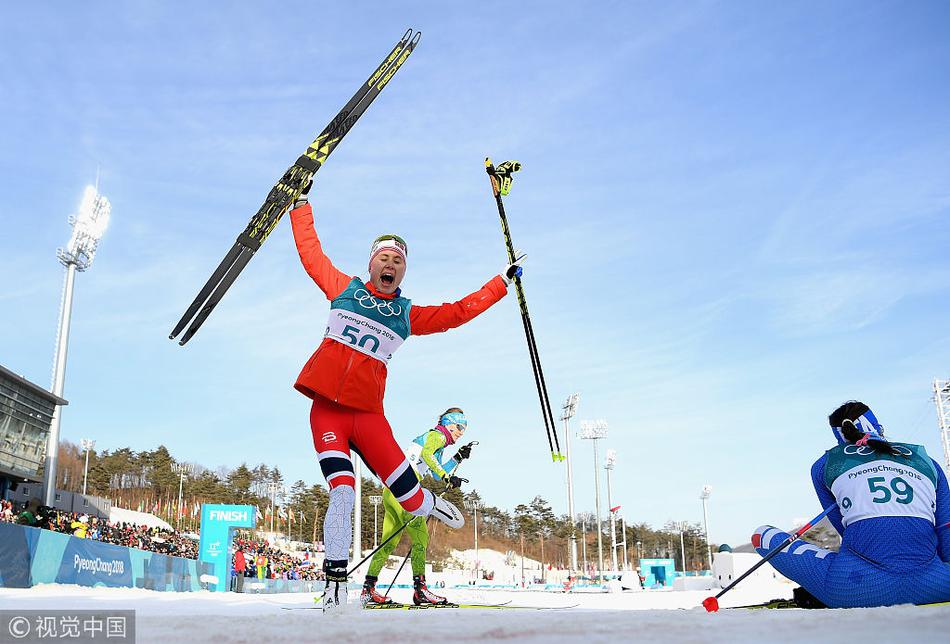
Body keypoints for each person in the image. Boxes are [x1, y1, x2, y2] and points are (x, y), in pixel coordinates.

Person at [288, 182, 522, 612]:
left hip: (368, 418)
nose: (391, 264)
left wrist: (500, 284)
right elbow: (311, 254)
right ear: (372, 264)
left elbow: (455, 313)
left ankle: (430, 503)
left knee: (411, 501)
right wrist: (300, 205)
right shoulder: (345, 289)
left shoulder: (407, 314)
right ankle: (335, 586)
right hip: (327, 413)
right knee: (343, 491)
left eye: (398, 260)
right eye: (384, 258)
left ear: (403, 271)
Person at [751, 401, 950, 607]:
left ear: (840, 436)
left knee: (762, 535)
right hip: (937, 585)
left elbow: (844, 527)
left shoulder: (825, 464)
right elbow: (946, 526)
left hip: (856, 588)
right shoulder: (927, 461)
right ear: (879, 427)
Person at [361, 408, 474, 607]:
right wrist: (448, 476)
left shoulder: (435, 440)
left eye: (464, 430)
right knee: (421, 537)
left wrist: (457, 458)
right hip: (405, 491)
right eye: (459, 427)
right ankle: (420, 590)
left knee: (388, 543)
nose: (461, 432)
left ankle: (368, 589)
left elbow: (436, 473)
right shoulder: (437, 435)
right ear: (449, 423)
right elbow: (429, 456)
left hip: (391, 491)